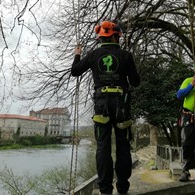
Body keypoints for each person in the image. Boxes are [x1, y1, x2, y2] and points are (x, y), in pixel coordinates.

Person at [71, 20, 140, 195]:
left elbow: (76, 71)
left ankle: (105, 190)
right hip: (121, 104)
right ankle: (123, 188)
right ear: (117, 36)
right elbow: (135, 82)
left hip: (101, 104)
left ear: (100, 37)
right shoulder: (125, 55)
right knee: (123, 145)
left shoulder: (94, 55)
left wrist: (77, 54)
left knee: (103, 146)